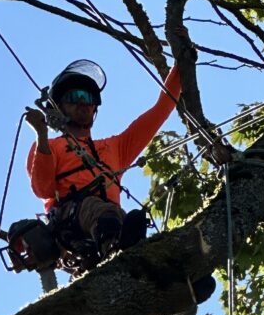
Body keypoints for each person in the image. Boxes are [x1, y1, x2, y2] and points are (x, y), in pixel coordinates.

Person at [23, 58, 215, 302]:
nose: (82, 102)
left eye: (87, 97)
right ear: (58, 108)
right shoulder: (50, 146)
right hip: (71, 222)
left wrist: (182, 63)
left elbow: (161, 109)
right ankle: (117, 251)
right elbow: (43, 188)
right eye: (73, 97)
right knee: (103, 213)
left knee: (135, 226)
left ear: (95, 108)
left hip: (109, 222)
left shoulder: (115, 148)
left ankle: (179, 279)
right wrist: (41, 136)